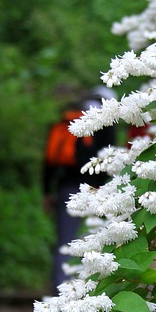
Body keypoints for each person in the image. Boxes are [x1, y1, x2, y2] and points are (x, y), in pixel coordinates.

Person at [42, 87, 116, 292]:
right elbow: (108, 158)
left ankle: (60, 292)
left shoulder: (67, 123)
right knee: (99, 238)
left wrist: (47, 192)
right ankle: (94, 288)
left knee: (65, 241)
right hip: (96, 189)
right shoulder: (106, 122)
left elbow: (48, 163)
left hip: (66, 187)